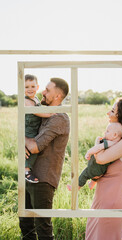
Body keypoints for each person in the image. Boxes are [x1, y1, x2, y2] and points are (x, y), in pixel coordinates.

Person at [19, 78, 70, 240]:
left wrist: (21, 137)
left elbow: (34, 146)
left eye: (47, 90)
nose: (43, 92)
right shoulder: (42, 111)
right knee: (25, 225)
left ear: (57, 96)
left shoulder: (59, 118)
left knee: (43, 229)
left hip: (43, 179)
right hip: (28, 175)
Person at [85, 97, 122, 240]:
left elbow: (101, 158)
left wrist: (98, 143)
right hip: (101, 201)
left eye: (112, 110)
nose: (108, 113)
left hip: (112, 203)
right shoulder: (120, 140)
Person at [67, 122, 122, 191]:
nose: (105, 133)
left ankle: (77, 186)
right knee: (95, 176)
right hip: (102, 170)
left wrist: (88, 153)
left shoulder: (109, 143)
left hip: (96, 167)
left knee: (85, 174)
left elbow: (97, 148)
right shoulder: (117, 146)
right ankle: (92, 184)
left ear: (115, 135)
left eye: (107, 131)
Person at [25, 74, 55, 183]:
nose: (30, 89)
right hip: (29, 130)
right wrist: (49, 114)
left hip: (35, 129)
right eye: (26, 87)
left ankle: (29, 169)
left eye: (32, 86)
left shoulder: (36, 99)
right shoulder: (26, 101)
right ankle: (26, 170)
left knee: (35, 150)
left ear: (37, 87)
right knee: (31, 150)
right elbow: (36, 111)